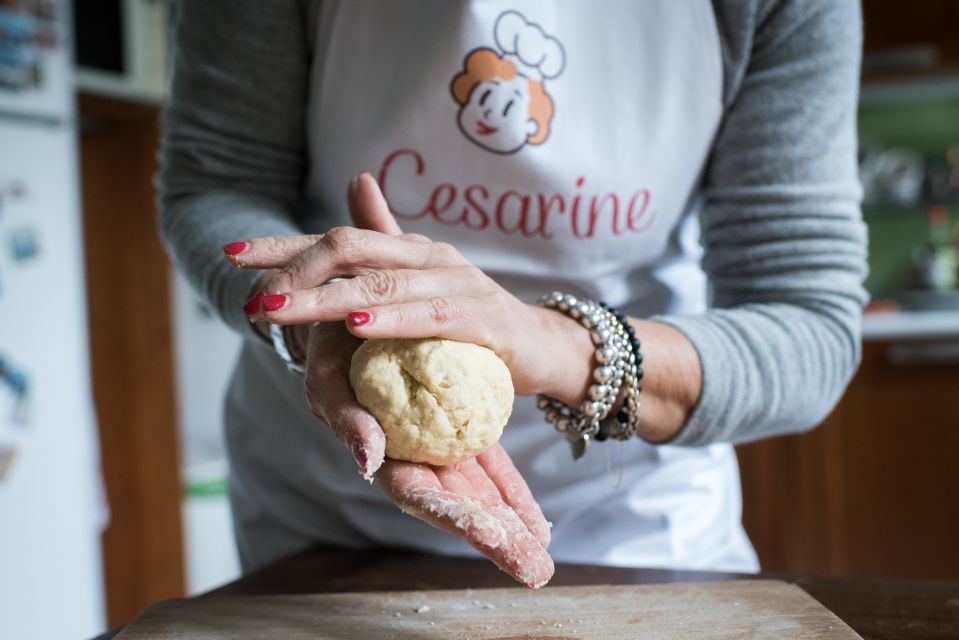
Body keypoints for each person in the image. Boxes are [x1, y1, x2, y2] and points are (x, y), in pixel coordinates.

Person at [158, 0, 867, 586]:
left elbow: (807, 325)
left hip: (635, 525)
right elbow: (220, 183)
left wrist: (553, 345)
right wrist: (308, 316)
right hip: (329, 510)